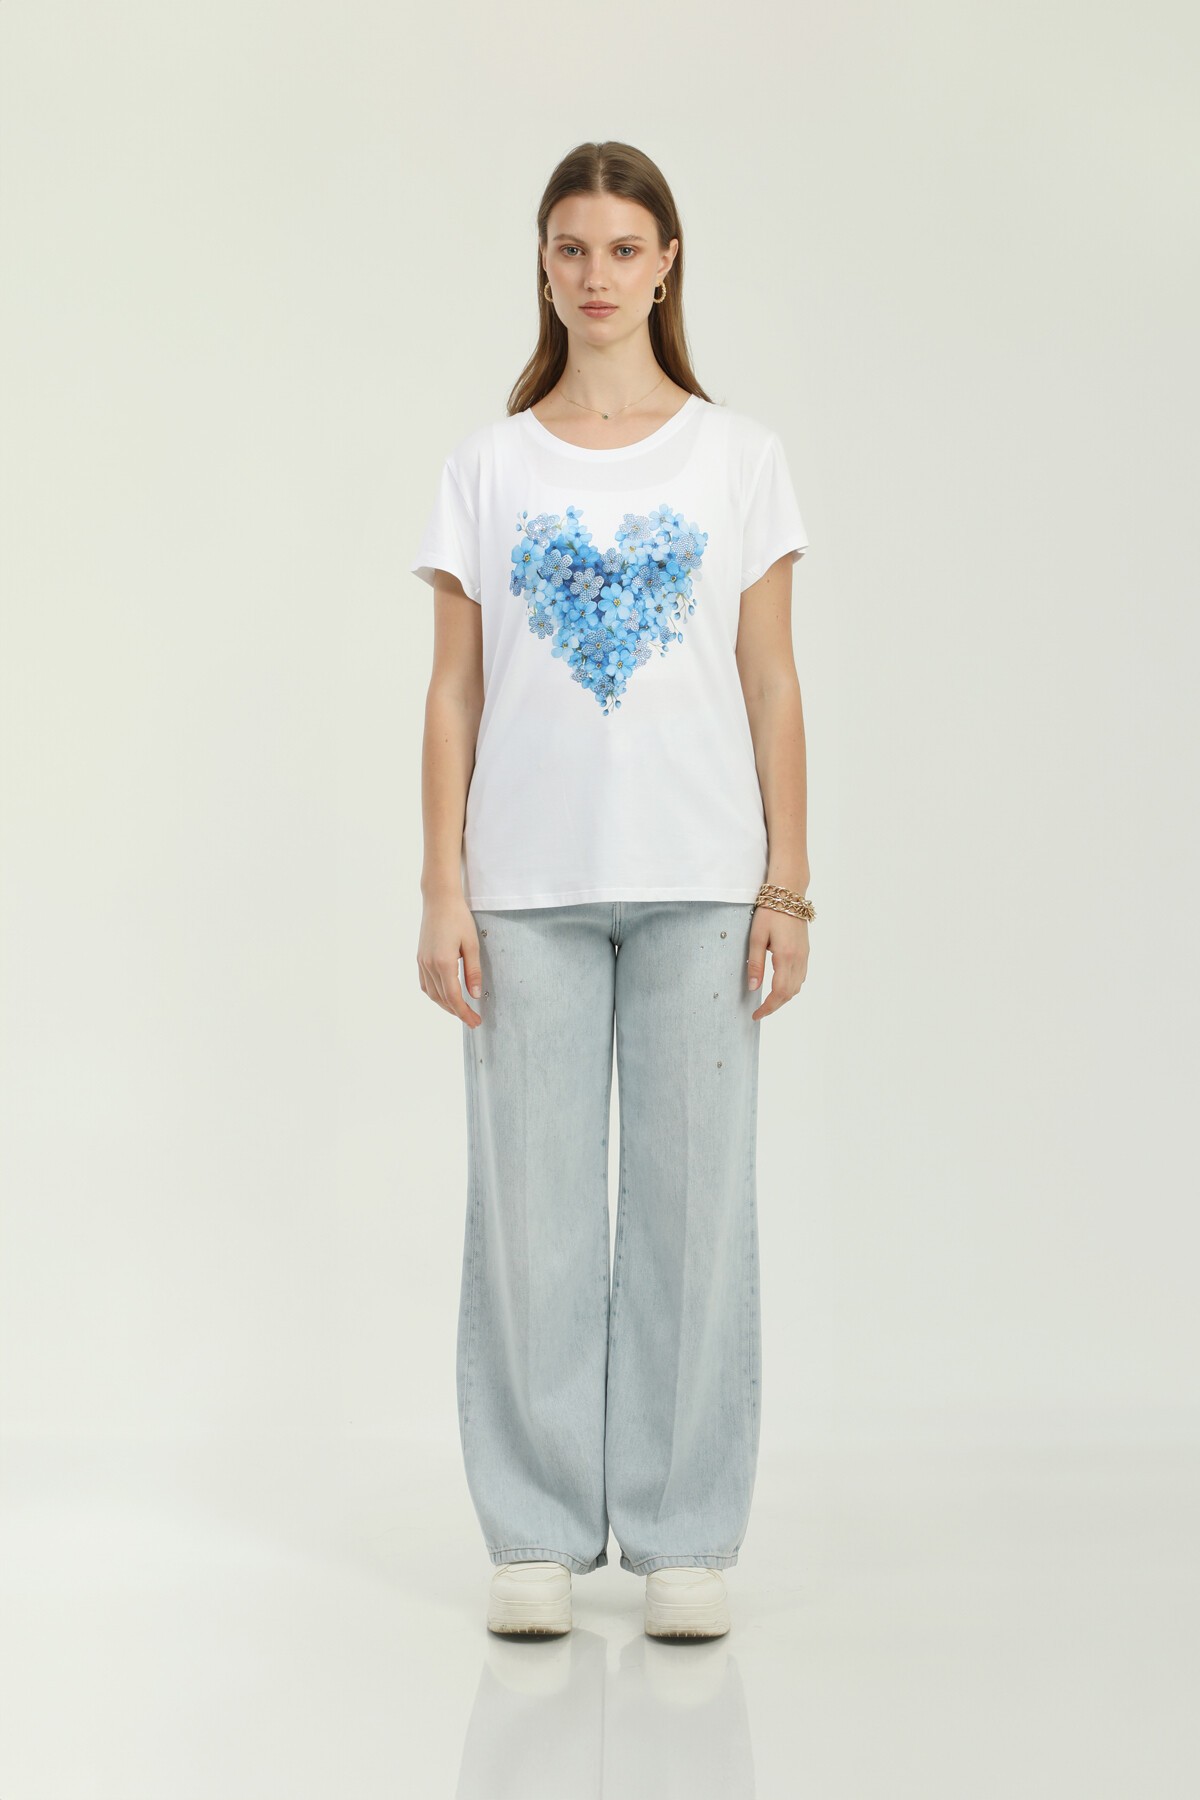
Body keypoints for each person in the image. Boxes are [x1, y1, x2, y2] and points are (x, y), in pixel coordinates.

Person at [410, 141, 814, 1643]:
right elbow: (454, 692)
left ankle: (683, 1532)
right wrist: (440, 885)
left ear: (667, 264)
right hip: (524, 886)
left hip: (703, 879)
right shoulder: (489, 466)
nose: (597, 274)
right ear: (543, 262)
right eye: (572, 247)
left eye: (624, 248)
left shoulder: (737, 457)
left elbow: (771, 680)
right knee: (532, 1217)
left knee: (694, 1216)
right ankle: (533, 1530)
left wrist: (788, 883)